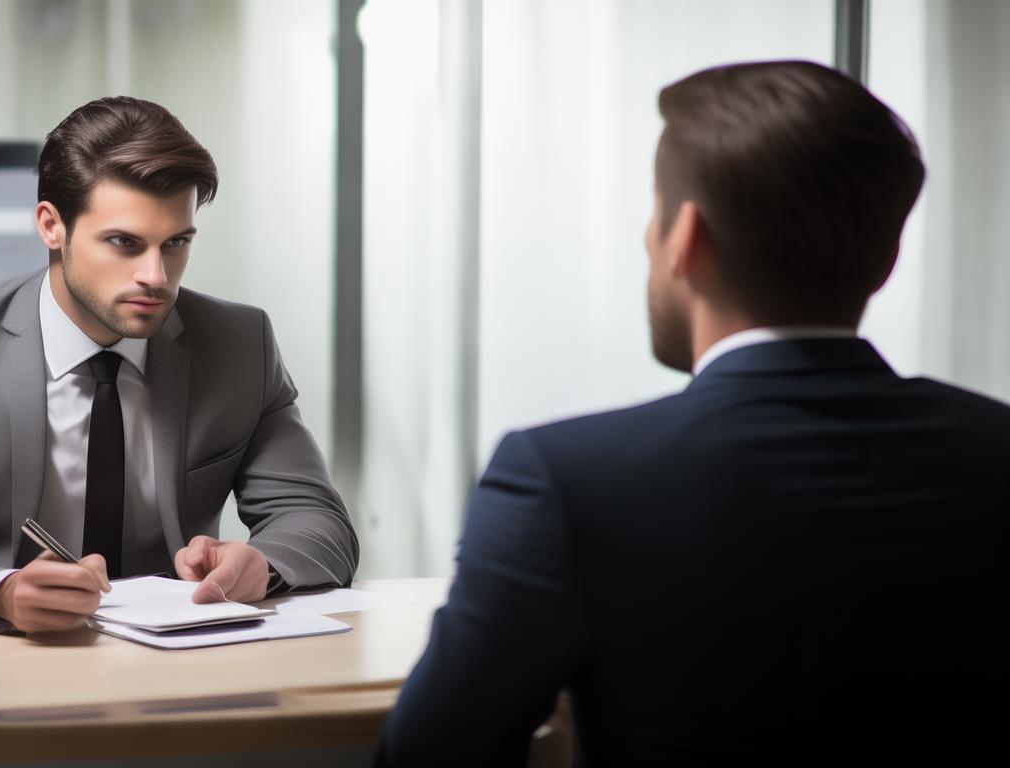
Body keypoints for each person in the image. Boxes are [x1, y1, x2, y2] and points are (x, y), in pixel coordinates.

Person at [379, 60, 1008, 766]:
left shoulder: (566, 481)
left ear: (686, 237)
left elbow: (431, 755)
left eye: (654, 215)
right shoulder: (996, 449)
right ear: (889, 256)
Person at [0, 96, 358, 635]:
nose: (156, 276)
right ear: (51, 225)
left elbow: (320, 524)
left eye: (176, 243)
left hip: (177, 668)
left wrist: (262, 564)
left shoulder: (239, 344)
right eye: (124, 242)